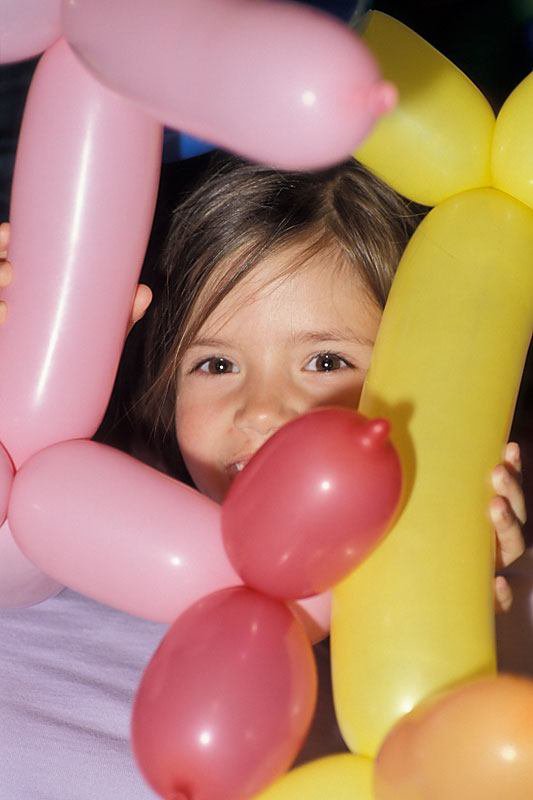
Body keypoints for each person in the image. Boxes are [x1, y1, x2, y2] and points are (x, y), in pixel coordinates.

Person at [0, 153, 527, 796]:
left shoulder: (454, 592)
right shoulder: (69, 530)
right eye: (217, 366)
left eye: (325, 360)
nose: (261, 410)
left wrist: (478, 627)